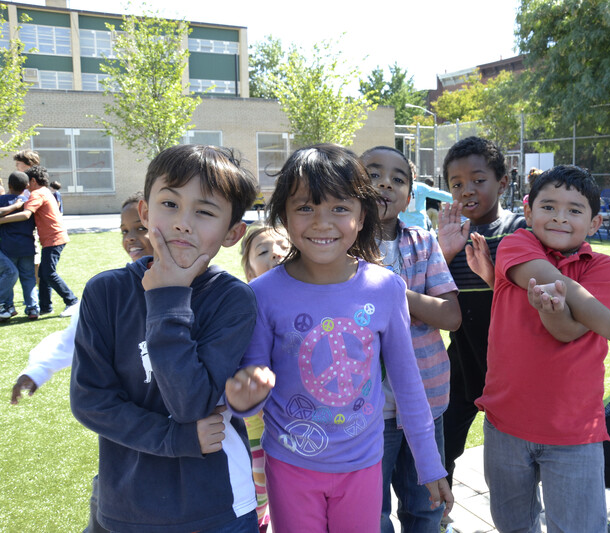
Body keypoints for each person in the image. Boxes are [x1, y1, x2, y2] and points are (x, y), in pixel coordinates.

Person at [224, 144, 453, 532]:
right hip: (290, 465)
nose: (321, 222)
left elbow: (408, 384)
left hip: (363, 466)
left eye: (339, 208)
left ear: (362, 216)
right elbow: (254, 375)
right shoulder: (262, 293)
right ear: (284, 215)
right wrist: (244, 398)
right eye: (306, 207)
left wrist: (429, 462)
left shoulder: (386, 288)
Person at [70, 144, 262, 533]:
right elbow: (91, 401)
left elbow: (191, 403)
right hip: (125, 506)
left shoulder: (232, 299)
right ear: (145, 211)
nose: (182, 223)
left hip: (216, 507)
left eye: (205, 212)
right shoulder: (105, 292)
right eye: (170, 204)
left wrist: (167, 298)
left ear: (232, 233)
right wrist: (174, 439)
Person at [470, 165, 610, 532]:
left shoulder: (604, 268)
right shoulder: (517, 244)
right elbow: (552, 281)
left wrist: (555, 312)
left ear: (595, 223)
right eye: (549, 207)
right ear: (528, 212)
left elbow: (568, 332)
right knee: (513, 524)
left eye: (575, 210)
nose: (560, 217)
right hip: (506, 423)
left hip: (575, 431)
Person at [11, 192, 154, 533]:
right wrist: (38, 369)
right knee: (111, 498)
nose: (131, 237)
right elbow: (71, 338)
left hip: (175, 425)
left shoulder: (201, 288)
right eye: (124, 231)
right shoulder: (109, 291)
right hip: (124, 424)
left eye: (140, 227)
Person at [361, 146, 461, 533]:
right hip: (365, 413)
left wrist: (391, 291)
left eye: (398, 179)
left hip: (426, 401)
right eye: (372, 174)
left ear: (410, 194)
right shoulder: (338, 246)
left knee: (425, 508)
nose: (385, 182)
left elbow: (450, 316)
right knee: (371, 514)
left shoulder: (422, 241)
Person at [434, 136, 527, 492]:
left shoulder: (521, 230)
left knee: (514, 460)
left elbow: (530, 301)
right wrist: (443, 252)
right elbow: (427, 299)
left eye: (478, 179)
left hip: (513, 369)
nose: (467, 190)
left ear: (502, 182)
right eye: (457, 184)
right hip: (460, 363)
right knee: (440, 451)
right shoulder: (448, 235)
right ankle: (439, 516)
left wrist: (494, 273)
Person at [238, 221, 290, 533]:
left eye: (284, 247)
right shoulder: (245, 306)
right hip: (256, 430)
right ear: (249, 270)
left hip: (297, 430)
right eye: (264, 251)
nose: (277, 254)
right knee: (257, 496)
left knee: (285, 495)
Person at [0, 165, 79, 317]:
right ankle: (44, 306)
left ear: (33, 181)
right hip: (53, 238)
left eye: (29, 182)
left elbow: (25, 215)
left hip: (53, 238)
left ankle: (72, 301)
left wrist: (2, 221)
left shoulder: (37, 194)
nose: (27, 186)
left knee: (48, 273)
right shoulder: (46, 192)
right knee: (42, 274)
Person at [0, 172, 37, 320]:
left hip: (8, 246)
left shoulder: (2, 200)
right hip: (27, 245)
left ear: (9, 186)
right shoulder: (29, 201)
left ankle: (9, 306)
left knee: (8, 276)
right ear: (27, 186)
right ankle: (33, 308)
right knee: (28, 278)